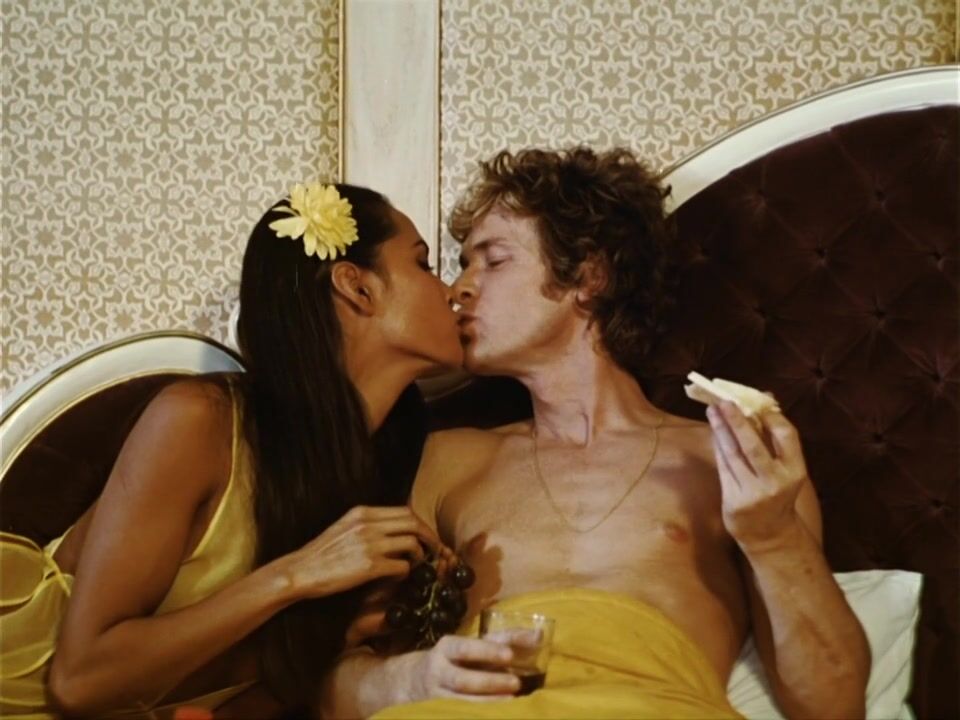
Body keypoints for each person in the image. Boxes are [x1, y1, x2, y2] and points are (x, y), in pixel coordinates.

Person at [319, 149, 871, 719]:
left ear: (588, 276)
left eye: (494, 260)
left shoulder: (731, 458)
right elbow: (335, 685)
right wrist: (409, 679)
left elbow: (834, 705)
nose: (458, 289)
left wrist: (773, 537)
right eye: (462, 265)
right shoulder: (447, 458)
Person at [0, 183, 460, 718]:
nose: (452, 291)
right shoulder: (200, 422)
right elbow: (79, 683)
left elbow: (216, 692)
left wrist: (336, 638)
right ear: (357, 287)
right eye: (424, 264)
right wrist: (297, 575)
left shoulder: (382, 464)